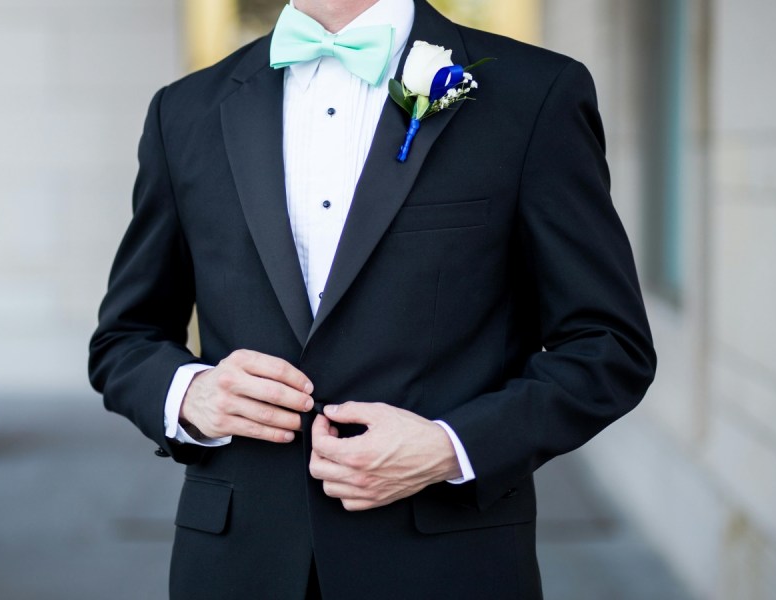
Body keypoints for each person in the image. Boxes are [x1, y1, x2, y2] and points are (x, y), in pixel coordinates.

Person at [89, 0, 656, 597]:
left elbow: (608, 346)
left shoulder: (534, 94)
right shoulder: (182, 111)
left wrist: (450, 447)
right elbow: (124, 340)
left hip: (446, 564)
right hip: (236, 567)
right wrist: (189, 393)